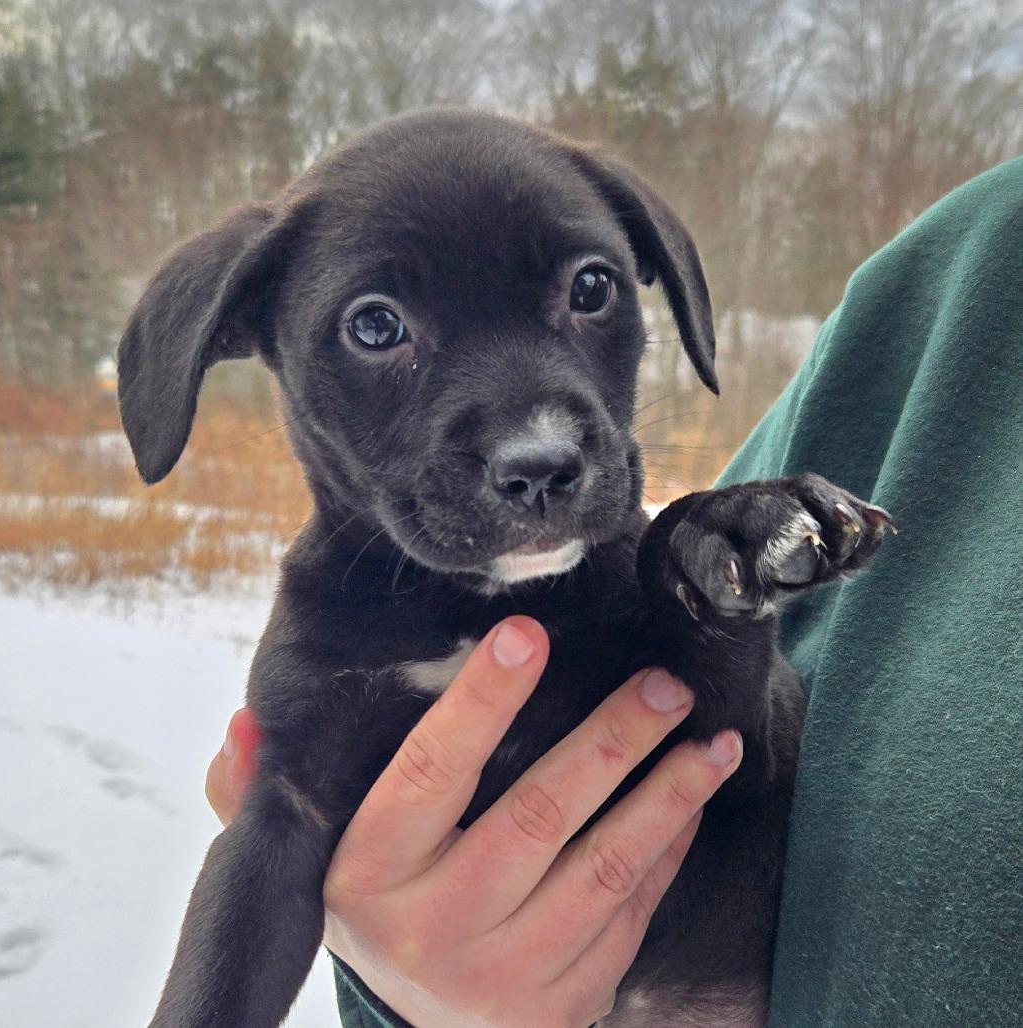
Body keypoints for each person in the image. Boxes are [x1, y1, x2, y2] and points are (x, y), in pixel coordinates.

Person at [206, 155, 1023, 1026]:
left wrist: (702, 598)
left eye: (590, 291)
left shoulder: (646, 575)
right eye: (377, 328)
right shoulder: (327, 632)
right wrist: (406, 998)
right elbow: (299, 860)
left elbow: (735, 734)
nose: (538, 443)